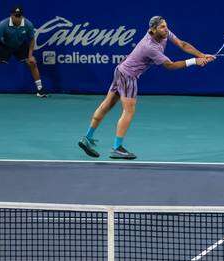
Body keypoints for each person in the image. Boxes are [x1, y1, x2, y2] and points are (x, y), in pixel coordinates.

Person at [78, 16, 214, 160]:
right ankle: (117, 148)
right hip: (128, 76)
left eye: (166, 25)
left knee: (107, 105)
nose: (166, 29)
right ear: (153, 29)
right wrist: (195, 61)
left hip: (120, 70)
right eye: (162, 27)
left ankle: (87, 137)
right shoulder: (149, 47)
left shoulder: (165, 33)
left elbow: (182, 44)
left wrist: (201, 55)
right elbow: (170, 65)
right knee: (128, 111)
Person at [0, 6, 47, 98]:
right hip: (5, 46)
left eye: (19, 16)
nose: (17, 18)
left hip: (20, 46)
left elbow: (32, 39)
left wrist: (30, 55)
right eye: (15, 15)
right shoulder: (3, 24)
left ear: (22, 16)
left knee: (32, 63)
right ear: (11, 15)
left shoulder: (28, 24)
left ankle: (40, 90)